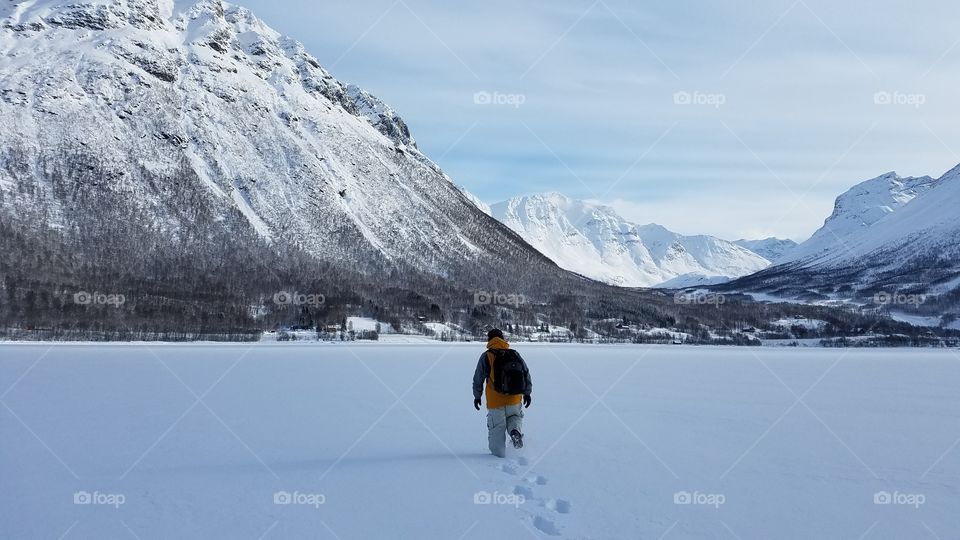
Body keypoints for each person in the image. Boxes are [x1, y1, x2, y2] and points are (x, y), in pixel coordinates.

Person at [472, 328, 532, 458]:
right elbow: (526, 374)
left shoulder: (486, 356)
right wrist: (527, 393)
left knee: (496, 434)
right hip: (514, 399)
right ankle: (515, 432)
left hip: (495, 403)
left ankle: (498, 459)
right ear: (503, 339)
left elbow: (478, 379)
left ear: (489, 340)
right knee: (514, 418)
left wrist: (477, 396)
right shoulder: (514, 354)